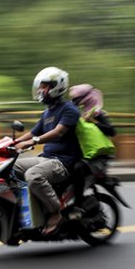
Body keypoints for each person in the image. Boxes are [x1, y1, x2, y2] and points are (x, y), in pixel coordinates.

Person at [14, 66, 82, 235]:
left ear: (55, 87)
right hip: (47, 158)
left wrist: (32, 142)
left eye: (44, 86)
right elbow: (34, 132)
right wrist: (13, 142)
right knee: (11, 168)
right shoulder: (48, 111)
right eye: (40, 86)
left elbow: (58, 132)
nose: (40, 90)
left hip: (63, 162)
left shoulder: (69, 109)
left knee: (33, 175)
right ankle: (24, 209)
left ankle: (55, 211)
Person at [68, 84, 116, 217]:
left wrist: (94, 121)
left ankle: (77, 207)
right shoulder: (80, 114)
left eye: (77, 99)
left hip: (99, 158)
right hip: (86, 155)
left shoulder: (98, 113)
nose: (75, 102)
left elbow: (112, 131)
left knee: (77, 169)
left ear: (87, 98)